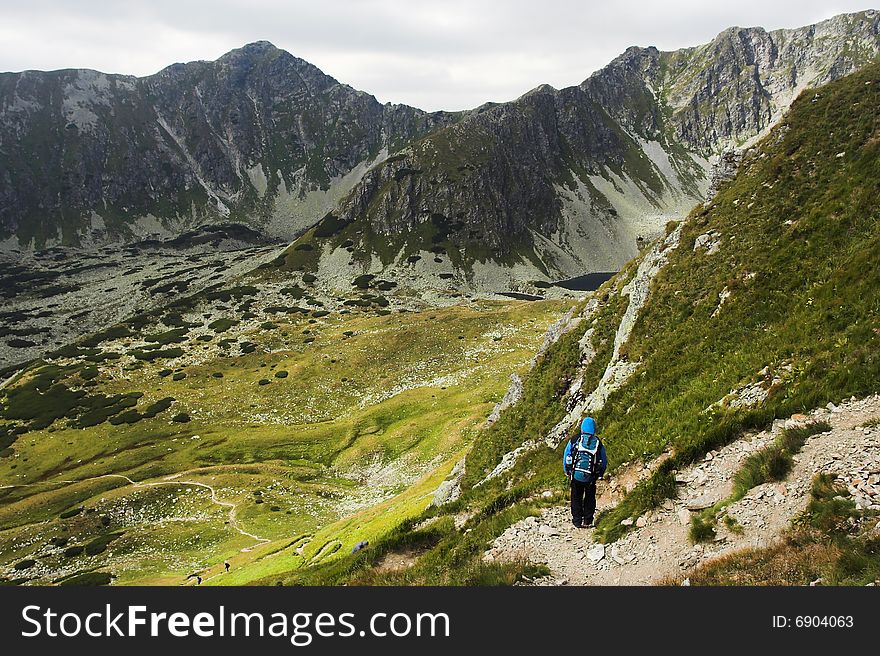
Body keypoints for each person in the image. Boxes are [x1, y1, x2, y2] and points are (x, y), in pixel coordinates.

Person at [563, 417, 607, 528]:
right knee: (590, 497)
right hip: (590, 476)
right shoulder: (597, 442)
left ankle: (577, 521)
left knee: (576, 497)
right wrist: (600, 473)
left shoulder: (574, 440)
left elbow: (567, 455)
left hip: (576, 475)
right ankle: (588, 520)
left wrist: (567, 470)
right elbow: (603, 460)